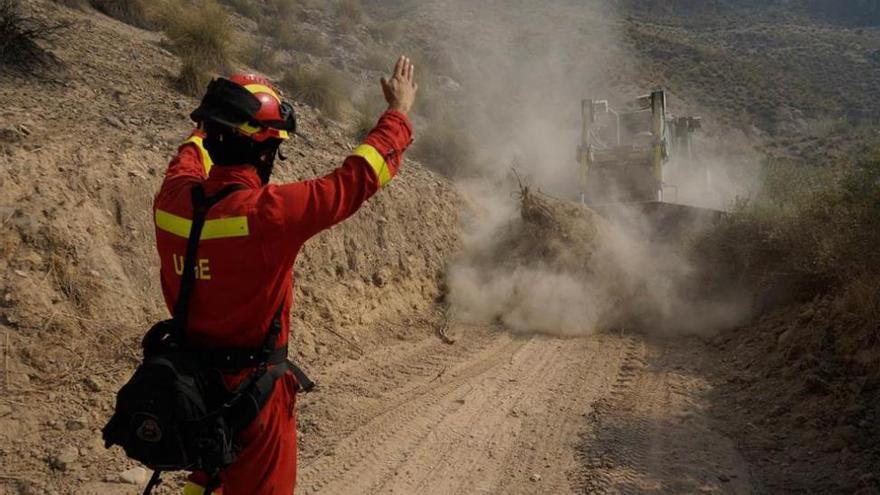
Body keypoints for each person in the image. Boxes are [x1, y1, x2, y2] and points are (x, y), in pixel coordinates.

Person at [152, 56, 417, 494]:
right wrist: (399, 113)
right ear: (265, 148)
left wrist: (215, 117)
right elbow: (359, 177)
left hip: (190, 385)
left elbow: (189, 153)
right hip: (255, 398)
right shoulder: (269, 215)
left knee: (206, 476)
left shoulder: (172, 198)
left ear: (215, 136)